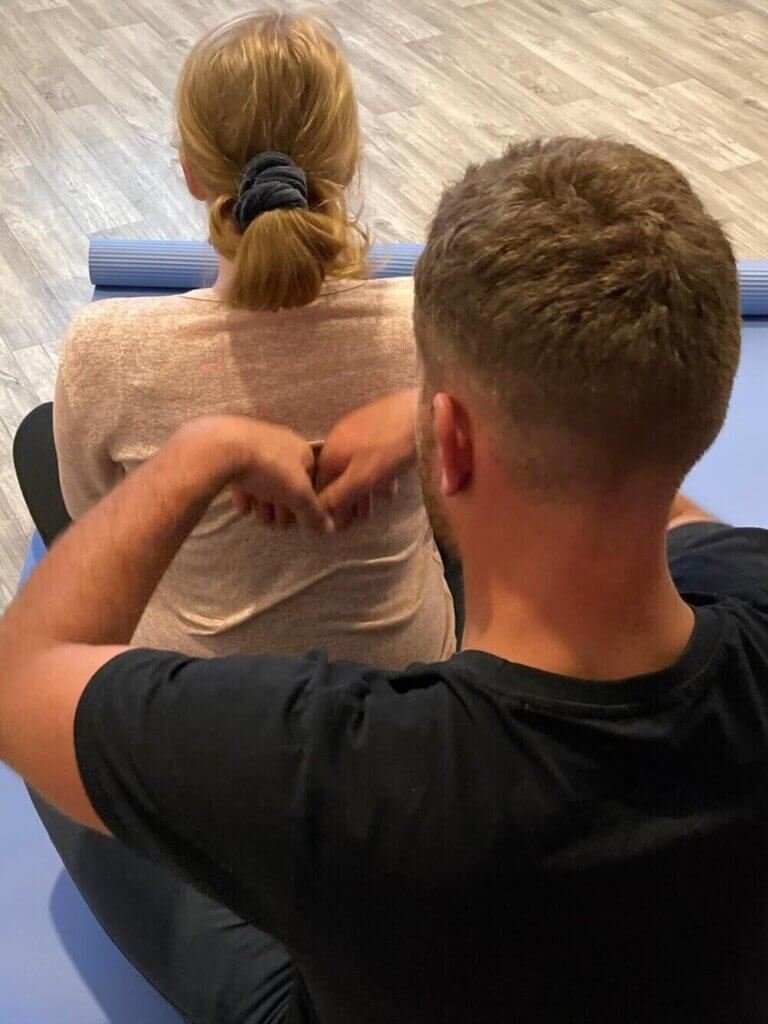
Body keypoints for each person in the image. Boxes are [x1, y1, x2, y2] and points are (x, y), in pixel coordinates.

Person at [3, 135, 767, 1024]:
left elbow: (22, 676)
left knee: (64, 778)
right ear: (706, 418)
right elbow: (685, 528)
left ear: (448, 440)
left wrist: (199, 453)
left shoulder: (333, 771)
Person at [53, 10, 454, 665]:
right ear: (347, 163)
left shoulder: (105, 353)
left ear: (189, 172)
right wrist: (420, 414)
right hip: (404, 704)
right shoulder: (436, 331)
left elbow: (98, 524)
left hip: (192, 712)